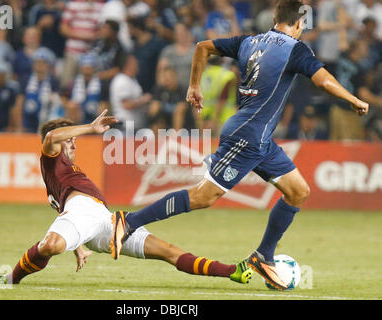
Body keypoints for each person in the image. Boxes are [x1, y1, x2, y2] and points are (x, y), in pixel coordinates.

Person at [110, 0, 369, 291]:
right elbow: (324, 81)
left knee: (298, 192)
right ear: (299, 24)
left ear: (274, 17)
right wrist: (354, 100)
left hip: (259, 138)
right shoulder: (295, 49)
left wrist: (193, 85)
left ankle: (263, 256)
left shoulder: (249, 41)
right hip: (247, 136)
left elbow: (202, 47)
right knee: (203, 197)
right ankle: (128, 221)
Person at [0, 111, 252, 285]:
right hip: (84, 212)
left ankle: (233, 271)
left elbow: (66, 219)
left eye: (73, 141)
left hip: (104, 222)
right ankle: (10, 279)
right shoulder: (50, 155)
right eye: (70, 141)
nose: (72, 145)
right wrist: (90, 129)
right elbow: (53, 136)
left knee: (168, 251)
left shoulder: (58, 181)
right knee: (52, 245)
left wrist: (79, 246)